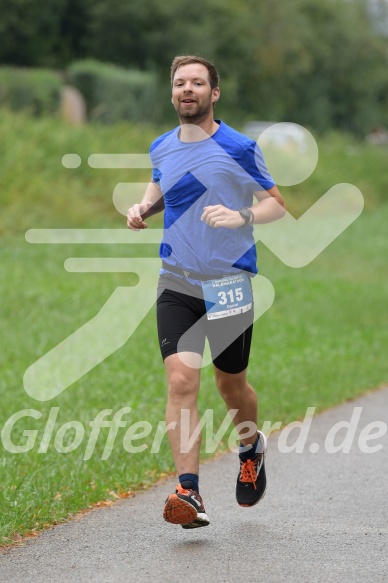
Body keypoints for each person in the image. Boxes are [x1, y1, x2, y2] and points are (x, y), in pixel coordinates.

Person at [127, 55, 286, 529]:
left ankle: (249, 447)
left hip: (229, 282)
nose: (188, 89)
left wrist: (243, 217)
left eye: (198, 82)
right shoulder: (162, 146)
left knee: (230, 383)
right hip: (176, 278)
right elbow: (161, 190)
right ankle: (188, 491)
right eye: (180, 83)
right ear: (172, 93)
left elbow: (276, 205)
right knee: (181, 380)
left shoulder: (239, 147)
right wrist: (141, 208)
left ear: (214, 93)